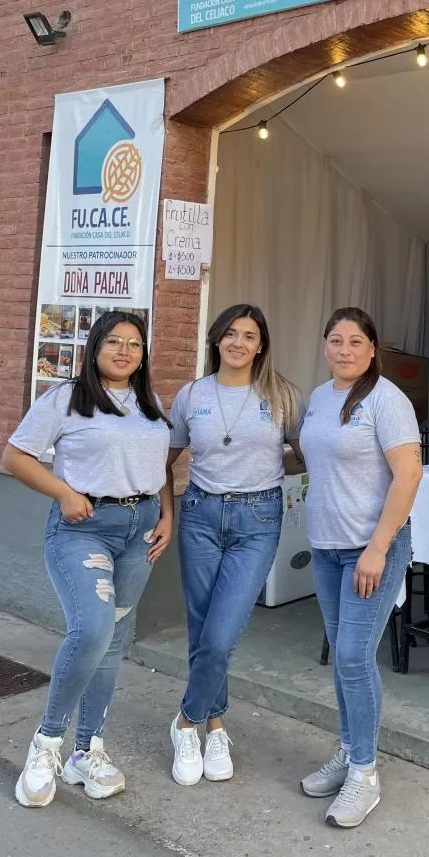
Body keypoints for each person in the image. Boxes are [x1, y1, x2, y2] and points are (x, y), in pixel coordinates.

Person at [2, 310, 172, 807]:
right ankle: (47, 744)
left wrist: (167, 516)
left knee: (115, 639)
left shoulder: (149, 402)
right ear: (94, 347)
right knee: (93, 629)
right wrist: (63, 493)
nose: (125, 351)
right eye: (114, 342)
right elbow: (15, 456)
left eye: (135, 344)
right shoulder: (66, 400)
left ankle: (86, 750)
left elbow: (158, 466)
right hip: (83, 530)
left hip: (140, 532)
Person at [167, 303, 303, 786]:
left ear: (261, 343)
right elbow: (166, 459)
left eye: (249, 335)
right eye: (230, 333)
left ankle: (186, 721)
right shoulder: (191, 395)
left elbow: (305, 455)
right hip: (201, 516)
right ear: (216, 340)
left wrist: (263, 476)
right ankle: (216, 723)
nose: (238, 343)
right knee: (203, 629)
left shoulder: (281, 395)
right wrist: (166, 515)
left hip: (258, 518)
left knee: (222, 635)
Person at [298, 307, 422, 828]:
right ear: (325, 346)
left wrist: (378, 546)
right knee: (345, 659)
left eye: (355, 342)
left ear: (373, 349)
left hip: (370, 550)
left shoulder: (387, 400)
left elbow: (409, 474)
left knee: (352, 656)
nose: (344, 350)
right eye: (335, 340)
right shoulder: (321, 398)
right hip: (326, 548)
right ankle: (350, 752)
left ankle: (365, 775)